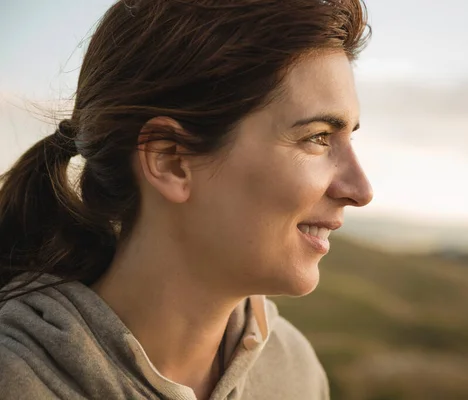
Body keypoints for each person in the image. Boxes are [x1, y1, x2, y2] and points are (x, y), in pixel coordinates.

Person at [0, 0, 373, 399]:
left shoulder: (294, 369)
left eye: (350, 137)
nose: (361, 190)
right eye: (317, 138)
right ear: (171, 161)